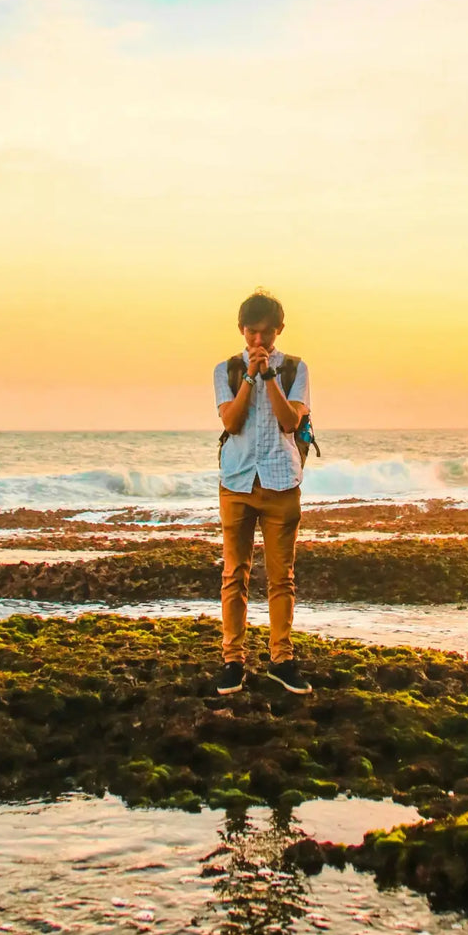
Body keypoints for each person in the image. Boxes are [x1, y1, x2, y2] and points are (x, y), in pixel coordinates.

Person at [213, 291, 313, 696]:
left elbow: (290, 422)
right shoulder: (227, 369)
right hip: (236, 482)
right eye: (251, 333)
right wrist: (251, 376)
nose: (258, 341)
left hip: (281, 482)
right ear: (241, 330)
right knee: (233, 574)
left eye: (265, 333)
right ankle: (232, 660)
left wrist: (269, 376)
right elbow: (232, 422)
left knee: (281, 577)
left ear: (279, 330)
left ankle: (281, 659)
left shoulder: (294, 368)